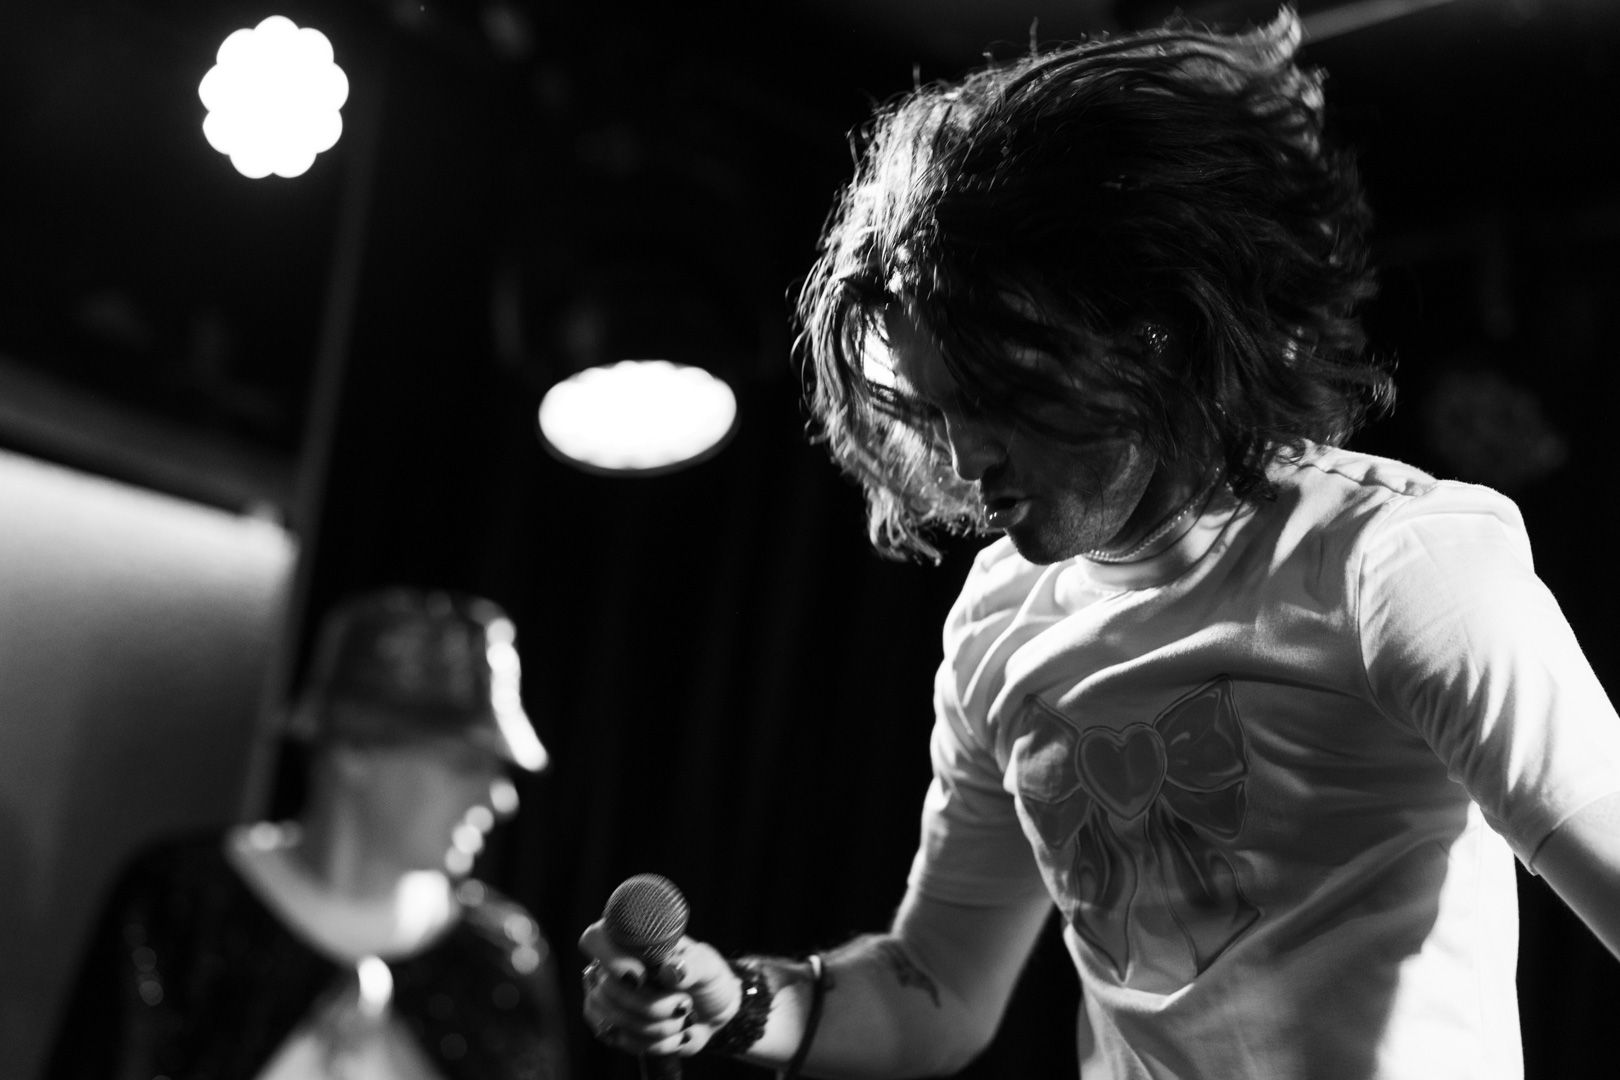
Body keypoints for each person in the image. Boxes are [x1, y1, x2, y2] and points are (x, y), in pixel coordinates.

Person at [577, 8, 1620, 1079]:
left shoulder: (1393, 567)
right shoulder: (999, 623)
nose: (965, 456)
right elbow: (937, 990)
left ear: (1151, 332)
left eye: (998, 394)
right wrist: (741, 1001)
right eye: (937, 412)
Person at [45, 587, 571, 1080]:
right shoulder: (183, 903)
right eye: (464, 765)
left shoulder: (496, 961)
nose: (499, 798)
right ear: (354, 749)